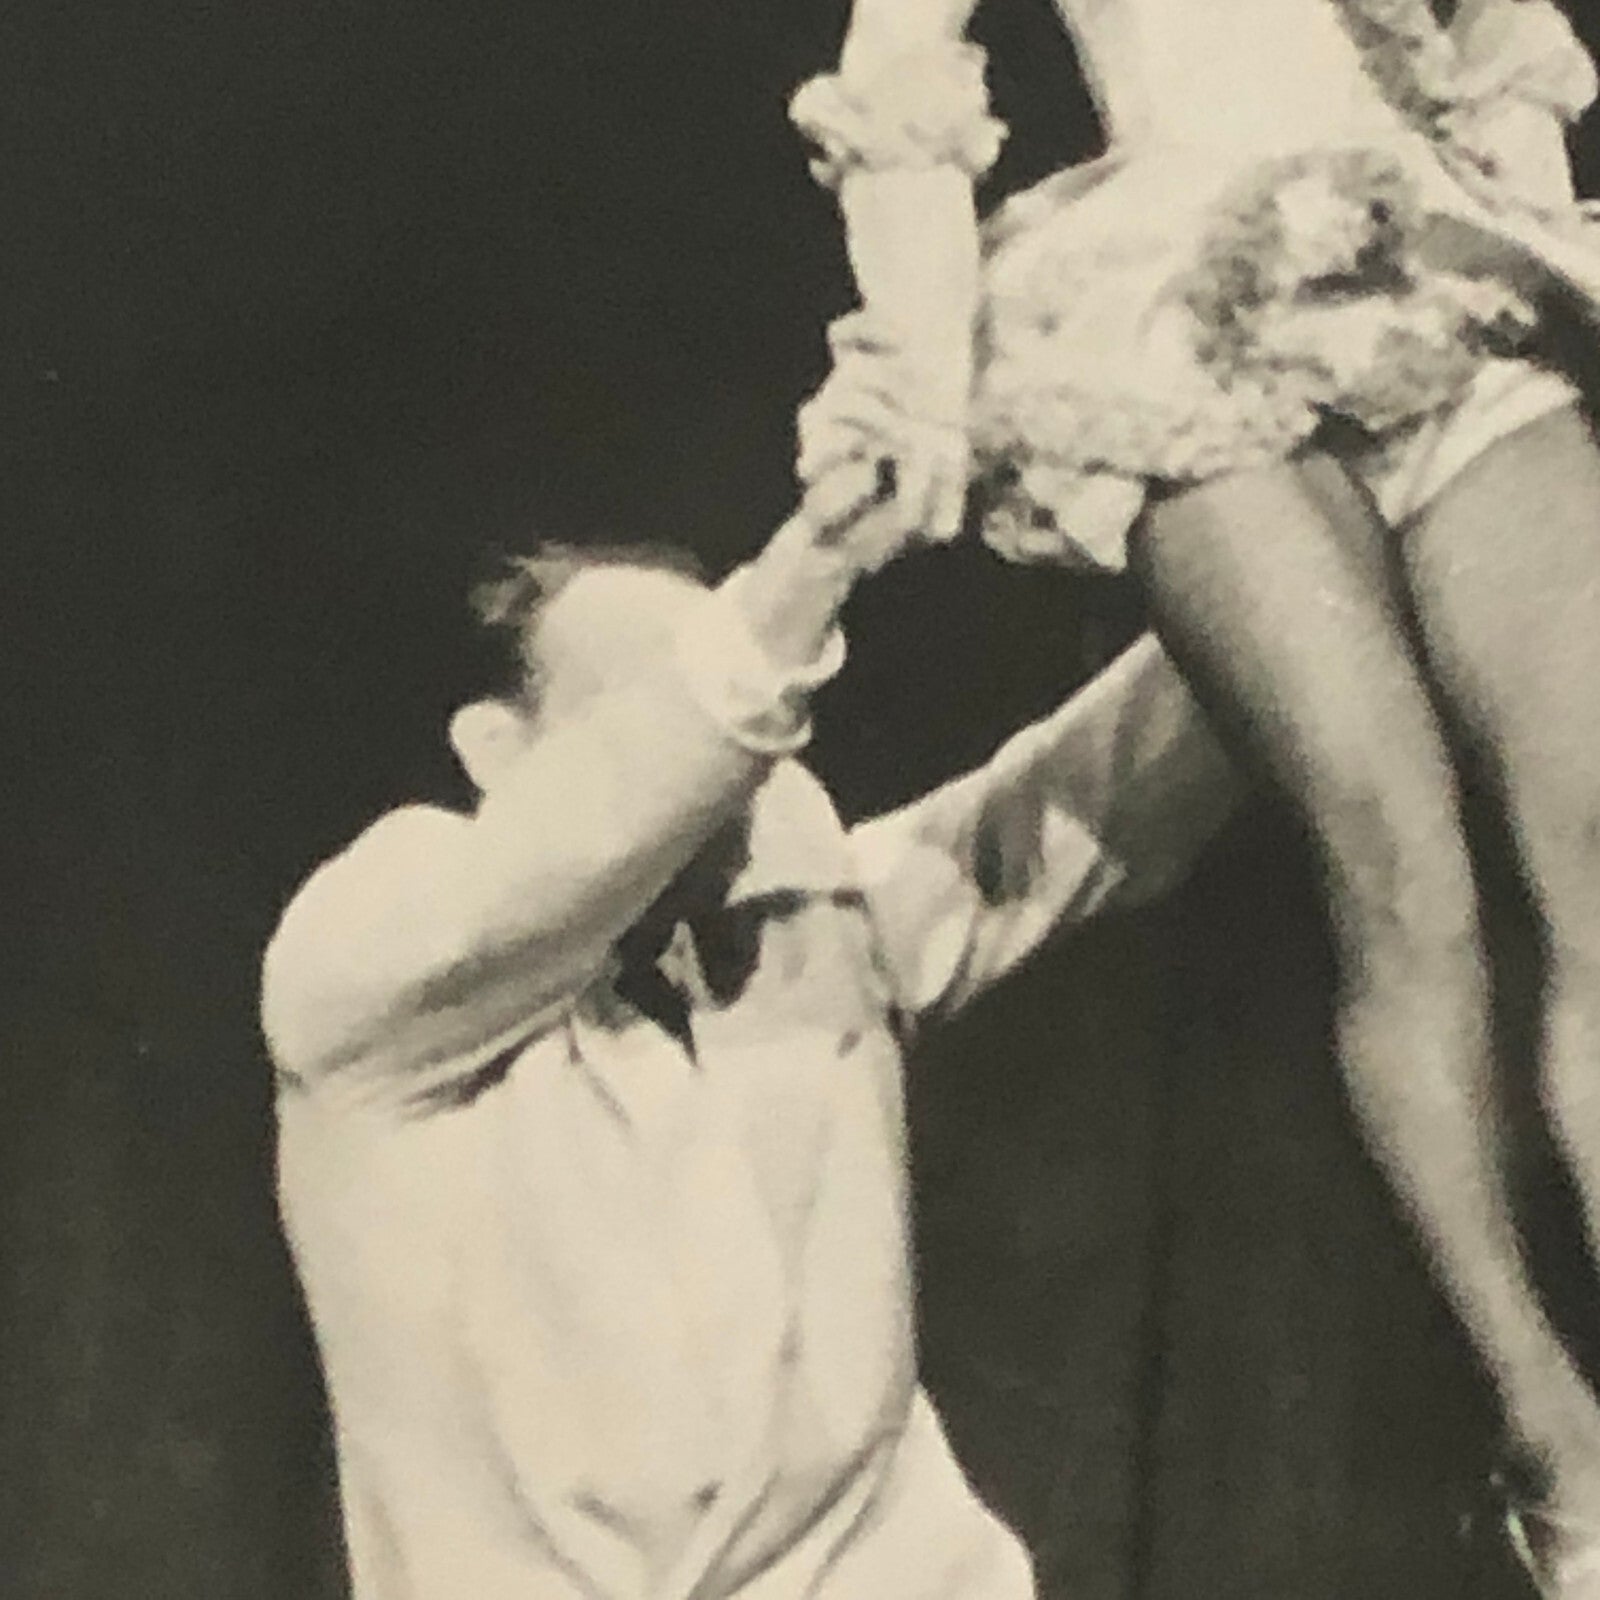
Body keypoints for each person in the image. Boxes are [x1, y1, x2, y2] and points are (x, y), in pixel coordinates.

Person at [790, 0, 1600, 1592]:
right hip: (1181, 296)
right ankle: (1552, 1435)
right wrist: (929, 386)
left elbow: (1497, 44)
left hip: (1429, 261)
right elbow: (897, 75)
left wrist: (1537, 210)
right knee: (1402, 876)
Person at [258, 430, 1236, 1597]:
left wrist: (1287, 529)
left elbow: (1100, 792)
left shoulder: (814, 924)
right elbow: (592, 828)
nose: (734, 749)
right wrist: (815, 558)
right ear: (494, 750)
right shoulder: (368, 961)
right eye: (652, 695)